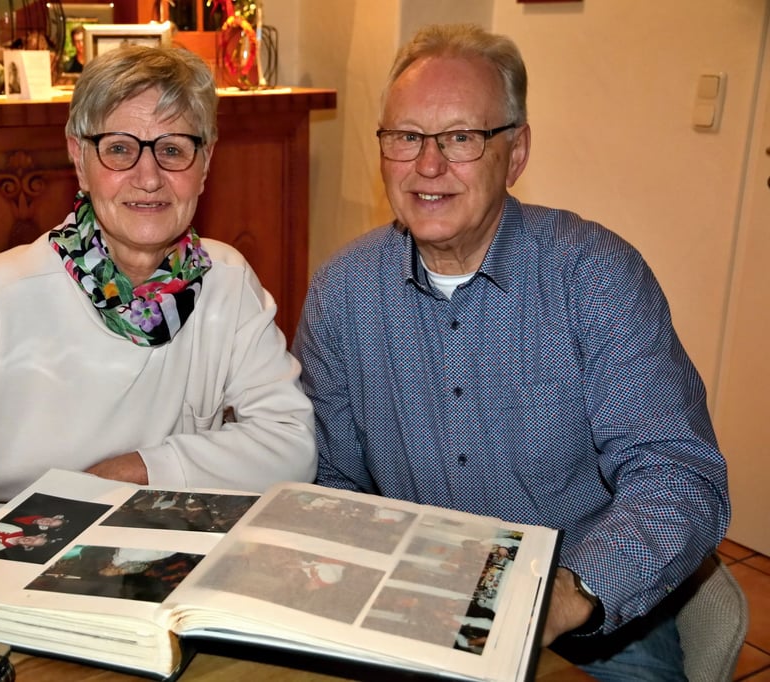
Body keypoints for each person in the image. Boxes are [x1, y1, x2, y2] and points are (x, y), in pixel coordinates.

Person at [0, 44, 316, 634]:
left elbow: (290, 443)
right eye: (120, 149)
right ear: (79, 159)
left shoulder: (226, 283)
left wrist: (135, 470)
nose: (149, 177)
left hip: (143, 569)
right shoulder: (6, 295)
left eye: (174, 150)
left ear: (204, 167)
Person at [292, 23, 729, 681]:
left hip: (585, 621)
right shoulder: (343, 292)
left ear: (515, 153)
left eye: (461, 138)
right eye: (406, 137)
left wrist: (563, 598)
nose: (428, 166)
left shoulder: (595, 276)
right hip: (413, 607)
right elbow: (332, 478)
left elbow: (678, 472)